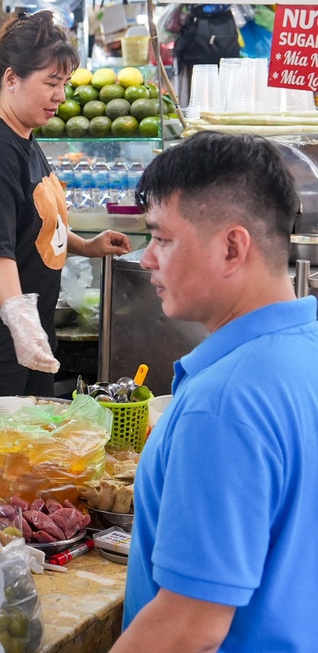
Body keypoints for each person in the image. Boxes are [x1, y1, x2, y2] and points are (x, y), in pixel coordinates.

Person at [113, 133, 318, 653]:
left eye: (162, 239)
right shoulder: (306, 347)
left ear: (231, 247)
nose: (147, 259)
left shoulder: (224, 403)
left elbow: (190, 626)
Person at [0, 10, 131, 397]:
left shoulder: (22, 136)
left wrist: (85, 245)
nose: (61, 96)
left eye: (65, 84)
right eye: (51, 83)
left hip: (21, 341)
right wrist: (23, 324)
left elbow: (29, 224)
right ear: (12, 78)